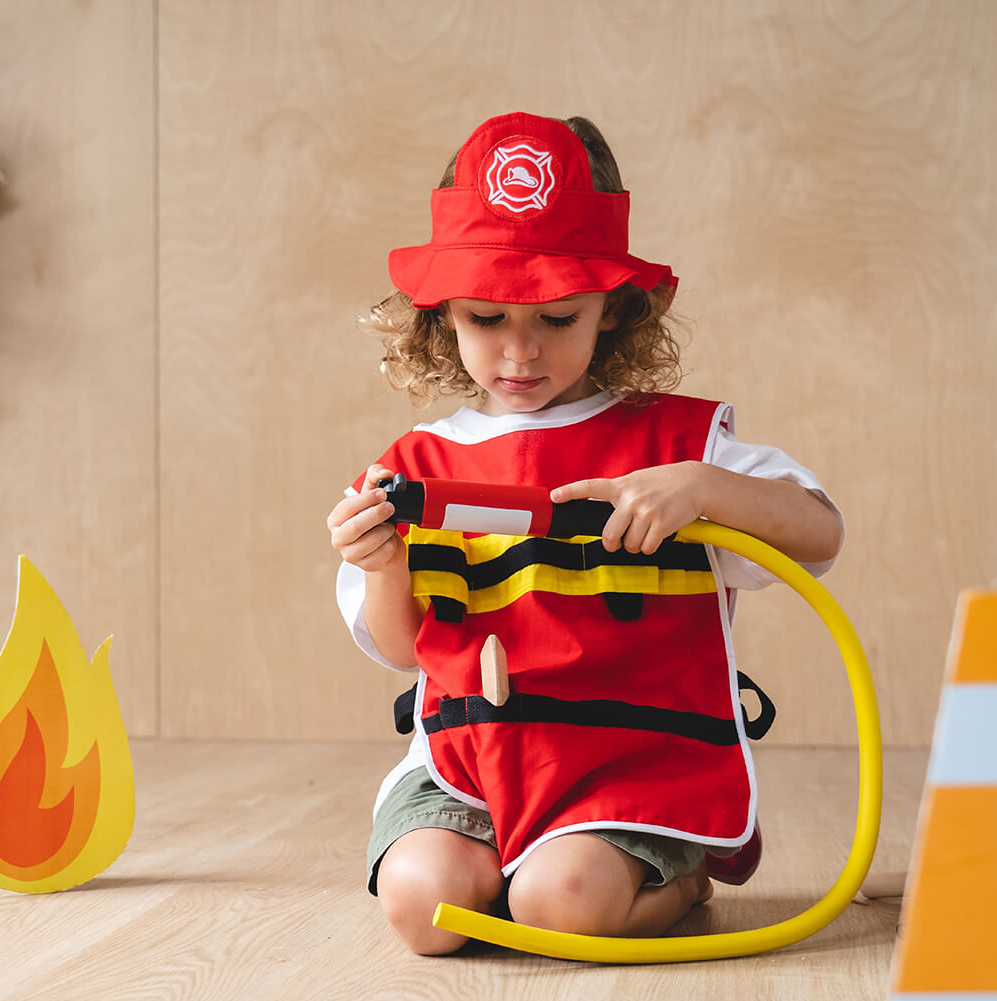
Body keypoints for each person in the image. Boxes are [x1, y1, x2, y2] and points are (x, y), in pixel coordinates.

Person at [327, 112, 844, 956]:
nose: (520, 353)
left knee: (560, 903)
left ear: (613, 310)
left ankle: (673, 877)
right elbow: (399, 649)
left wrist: (705, 488)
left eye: (558, 319)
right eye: (487, 317)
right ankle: (513, 870)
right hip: (468, 766)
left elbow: (819, 533)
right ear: (442, 314)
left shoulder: (679, 449)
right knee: (423, 907)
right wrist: (383, 565)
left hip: (628, 764)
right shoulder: (414, 466)